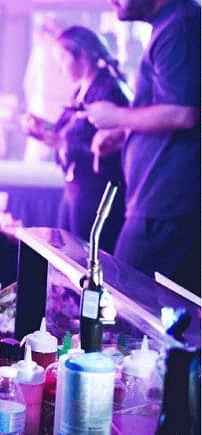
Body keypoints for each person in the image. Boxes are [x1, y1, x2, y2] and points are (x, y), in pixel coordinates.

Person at [85, 0, 200, 293]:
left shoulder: (180, 26)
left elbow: (184, 113)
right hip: (159, 204)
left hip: (165, 207)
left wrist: (116, 116)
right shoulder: (173, 24)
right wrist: (124, 132)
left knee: (125, 300)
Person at [22, 26, 128, 251]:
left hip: (96, 191)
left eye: (62, 59)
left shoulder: (108, 91)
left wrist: (62, 143)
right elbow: (71, 133)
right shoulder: (80, 90)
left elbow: (114, 146)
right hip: (75, 188)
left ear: (82, 55)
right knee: (64, 252)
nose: (61, 69)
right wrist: (43, 128)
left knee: (85, 254)